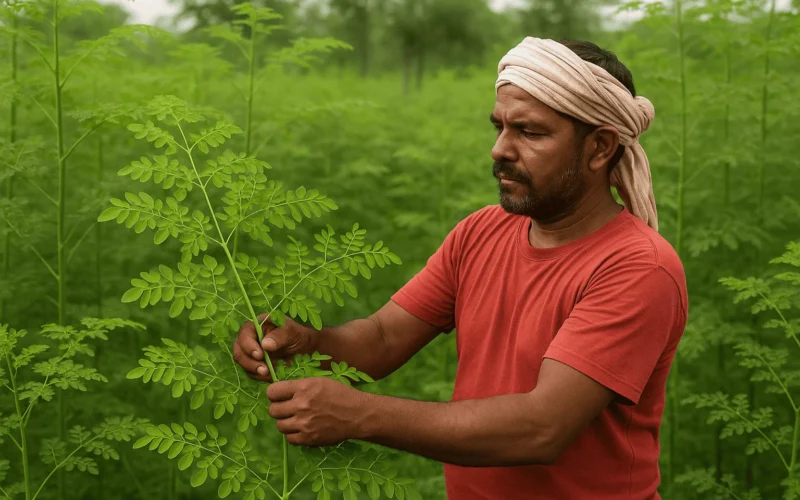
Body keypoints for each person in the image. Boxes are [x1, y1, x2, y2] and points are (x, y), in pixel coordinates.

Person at [232, 37, 687, 500]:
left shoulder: (637, 267)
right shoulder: (480, 233)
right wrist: (306, 344)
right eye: (499, 127)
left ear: (599, 148)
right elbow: (383, 338)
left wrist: (360, 414)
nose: (500, 150)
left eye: (530, 132)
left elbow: (542, 428)